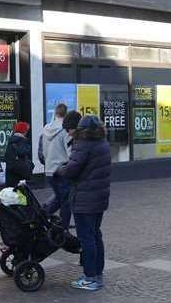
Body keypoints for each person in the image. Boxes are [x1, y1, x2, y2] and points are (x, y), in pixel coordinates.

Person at [57, 115, 111, 291]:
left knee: (86, 238)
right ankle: (97, 273)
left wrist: (61, 169)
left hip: (84, 197)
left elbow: (73, 169)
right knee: (96, 235)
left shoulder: (83, 143)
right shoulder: (102, 142)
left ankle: (90, 277)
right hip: (99, 197)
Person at [39, 104, 73, 229]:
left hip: (49, 169)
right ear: (66, 113)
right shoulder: (66, 130)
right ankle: (63, 229)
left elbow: (43, 151)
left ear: (56, 113)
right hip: (61, 170)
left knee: (60, 198)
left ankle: (41, 218)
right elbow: (70, 152)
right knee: (66, 201)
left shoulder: (46, 128)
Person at [4, 121, 33, 187]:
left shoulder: (11, 140)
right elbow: (23, 152)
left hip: (10, 171)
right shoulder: (22, 141)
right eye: (26, 130)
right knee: (20, 193)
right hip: (20, 171)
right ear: (24, 131)